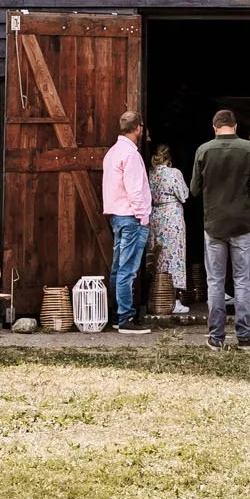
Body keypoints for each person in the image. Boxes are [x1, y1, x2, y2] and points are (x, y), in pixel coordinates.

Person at [191, 109, 250, 349]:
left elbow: (195, 189)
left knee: (215, 281)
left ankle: (216, 336)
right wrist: (244, 190)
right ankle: (244, 335)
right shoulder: (249, 148)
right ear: (235, 126)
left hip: (214, 223)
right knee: (242, 280)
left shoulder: (203, 150)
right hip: (242, 222)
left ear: (214, 127)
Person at [100, 111, 152, 334]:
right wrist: (143, 216)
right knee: (127, 270)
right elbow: (134, 189)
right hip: (131, 217)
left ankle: (116, 314)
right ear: (138, 128)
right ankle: (126, 318)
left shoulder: (113, 152)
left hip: (117, 216)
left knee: (117, 268)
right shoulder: (130, 154)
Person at [147, 143, 191, 316]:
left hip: (155, 215)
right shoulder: (174, 173)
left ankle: (157, 296)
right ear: (169, 158)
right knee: (175, 256)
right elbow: (184, 195)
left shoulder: (151, 173)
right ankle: (174, 300)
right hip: (172, 216)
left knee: (157, 255)